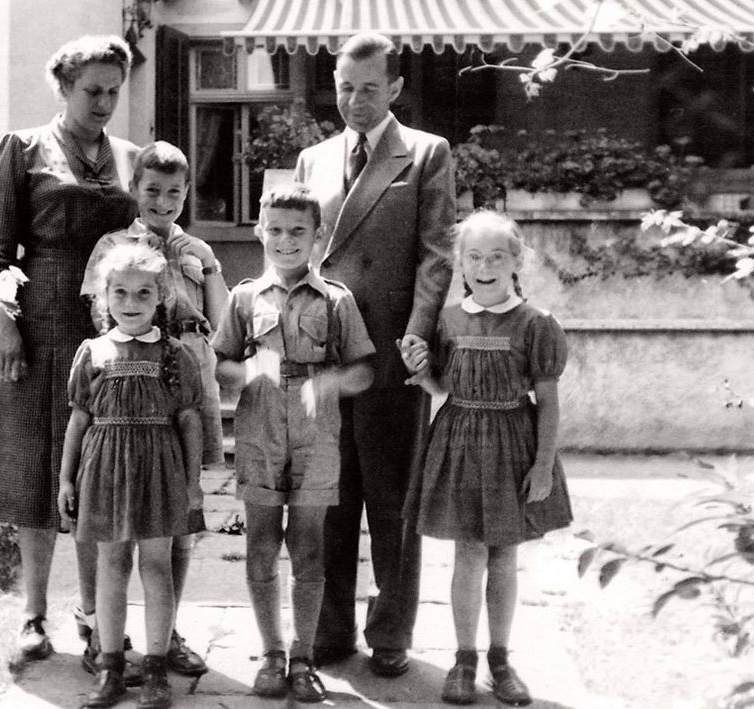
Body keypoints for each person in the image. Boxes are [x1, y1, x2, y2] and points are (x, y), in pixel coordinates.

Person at [293, 31, 455, 676]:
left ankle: (390, 635)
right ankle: (330, 630)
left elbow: (437, 254)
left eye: (368, 89)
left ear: (394, 89)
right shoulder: (314, 159)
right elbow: (297, 255)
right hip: (326, 358)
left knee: (393, 505)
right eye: (344, 88)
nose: (355, 101)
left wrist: (416, 336)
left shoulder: (424, 154)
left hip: (391, 353)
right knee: (329, 503)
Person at [0, 35, 139, 669]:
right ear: (64, 88)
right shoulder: (23, 149)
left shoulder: (129, 157)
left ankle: (95, 615)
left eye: (112, 92)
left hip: (108, 328)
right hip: (39, 326)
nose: (103, 102)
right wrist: (4, 323)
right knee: (36, 468)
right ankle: (32, 613)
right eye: (91, 90)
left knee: (99, 469)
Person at [399, 211, 573, 707]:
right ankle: (464, 658)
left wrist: (542, 465)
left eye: (497, 256)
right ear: (460, 263)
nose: (484, 266)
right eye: (473, 257)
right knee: (467, 554)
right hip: (457, 443)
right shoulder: (449, 319)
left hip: (513, 446)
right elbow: (443, 385)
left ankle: (500, 658)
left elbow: (549, 401)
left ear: (517, 261)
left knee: (504, 555)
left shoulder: (536, 324)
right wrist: (421, 373)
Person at [212, 183, 375, 703]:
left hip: (315, 435)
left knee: (308, 547)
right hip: (260, 430)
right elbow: (219, 366)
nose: (286, 241)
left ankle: (303, 656)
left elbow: (363, 371)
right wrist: (245, 370)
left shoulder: (337, 300)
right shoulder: (242, 298)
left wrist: (330, 383)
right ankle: (271, 652)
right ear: (261, 232)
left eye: (298, 231)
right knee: (260, 545)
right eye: (276, 230)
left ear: (318, 236)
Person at [81, 140, 228, 677]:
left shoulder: (200, 251)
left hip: (187, 389)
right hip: (130, 395)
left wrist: (204, 274)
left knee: (179, 518)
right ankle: (108, 635)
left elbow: (222, 321)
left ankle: (168, 633)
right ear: (134, 191)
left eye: (174, 192)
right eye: (152, 191)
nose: (163, 202)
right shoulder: (114, 246)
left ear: (186, 193)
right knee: (116, 525)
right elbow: (102, 319)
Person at [57, 242, 204, 709]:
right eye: (120, 292)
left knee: (157, 566)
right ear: (104, 297)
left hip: (159, 468)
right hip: (103, 471)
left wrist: (193, 482)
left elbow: (189, 420)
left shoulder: (174, 354)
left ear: (160, 297)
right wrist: (66, 479)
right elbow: (78, 420)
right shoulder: (93, 352)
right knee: (112, 566)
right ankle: (111, 666)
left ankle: (157, 667)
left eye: (143, 293)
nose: (131, 303)